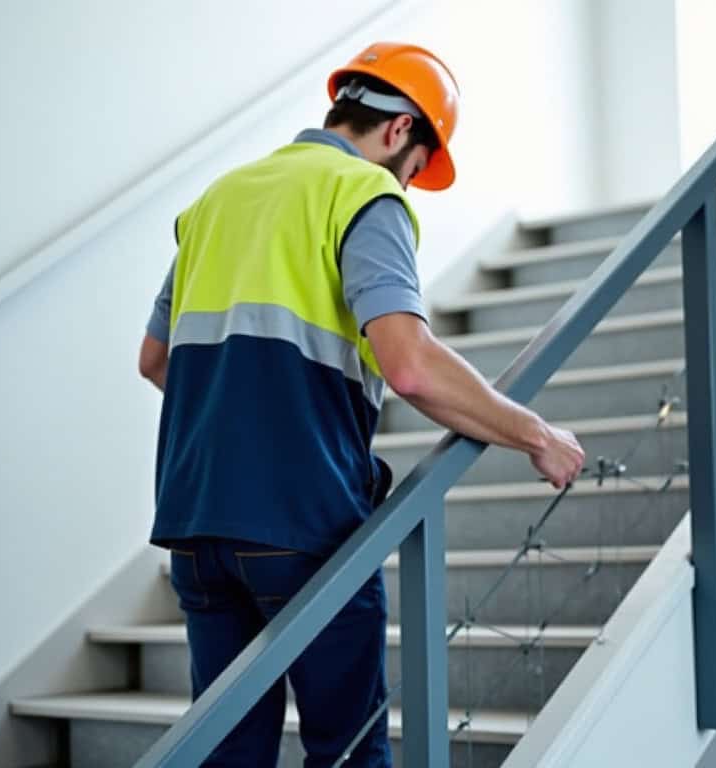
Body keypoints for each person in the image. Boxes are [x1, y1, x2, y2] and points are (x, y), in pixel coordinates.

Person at [136, 42, 585, 767]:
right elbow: (409, 368)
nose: (407, 185)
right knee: (346, 754)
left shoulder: (216, 201)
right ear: (402, 130)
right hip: (301, 523)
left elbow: (154, 361)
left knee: (225, 752)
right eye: (414, 171)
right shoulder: (363, 195)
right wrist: (533, 433)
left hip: (195, 524)